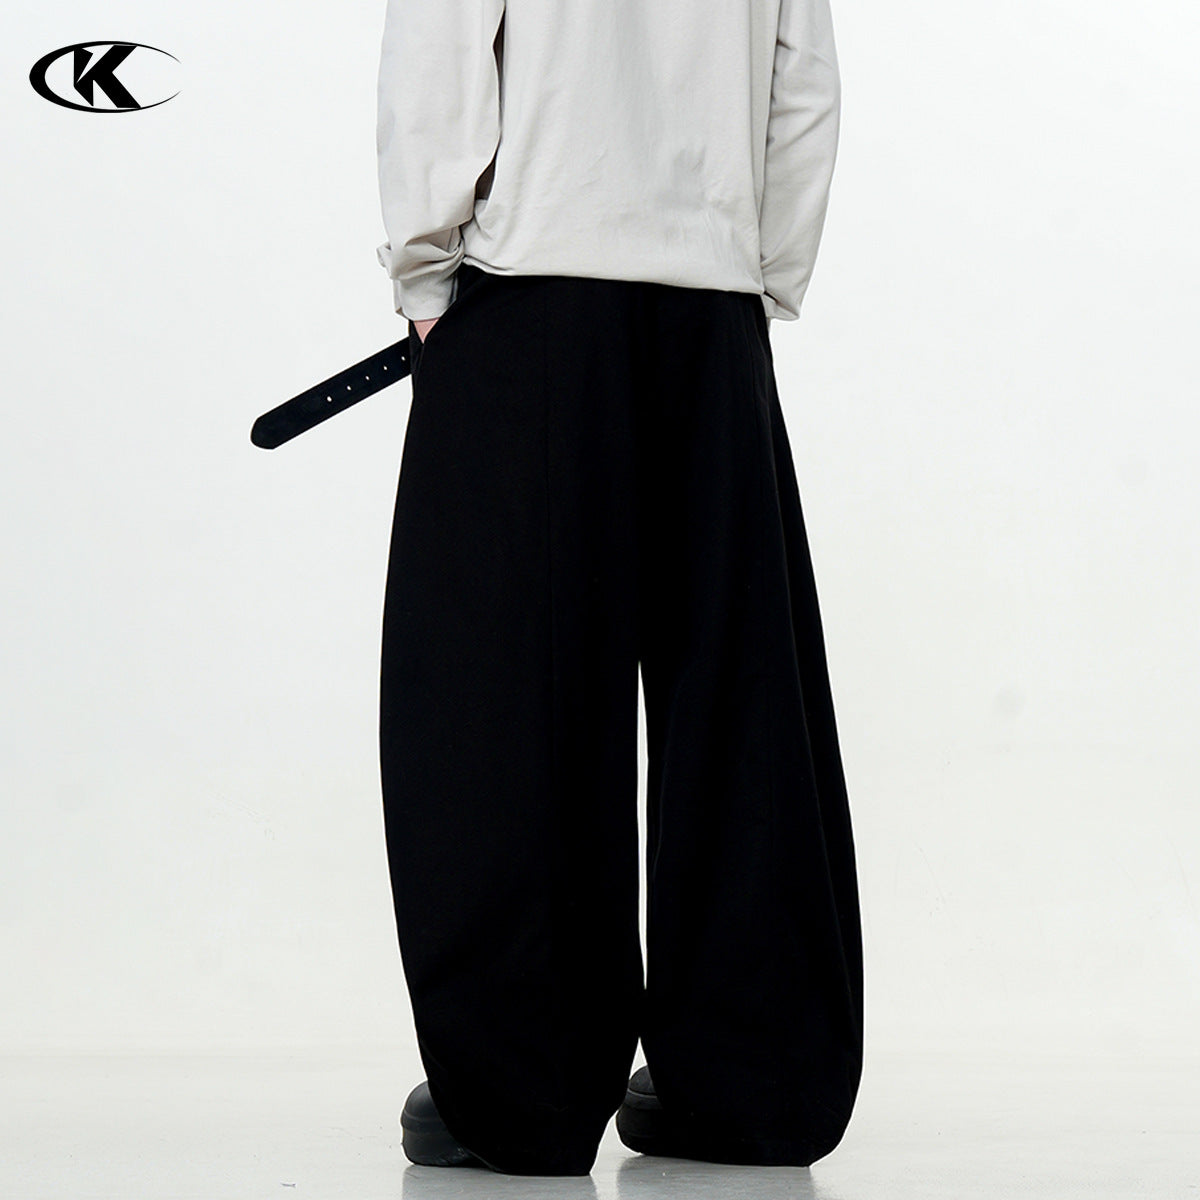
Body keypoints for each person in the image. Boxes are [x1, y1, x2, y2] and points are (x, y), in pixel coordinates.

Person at [374, 0, 862, 1178]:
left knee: (507, 703)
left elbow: (442, 51)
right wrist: (758, 275)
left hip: (528, 291)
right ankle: (752, 1083)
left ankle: (522, 1089)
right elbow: (802, 79)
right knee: (739, 697)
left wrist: (425, 269)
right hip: (712, 307)